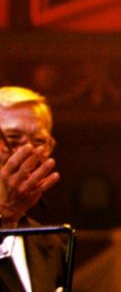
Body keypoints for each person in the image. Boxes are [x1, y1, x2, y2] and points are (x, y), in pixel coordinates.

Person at [0, 86, 65, 292]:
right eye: (12, 138)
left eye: (39, 141)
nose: (29, 152)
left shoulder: (51, 245)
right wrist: (5, 215)